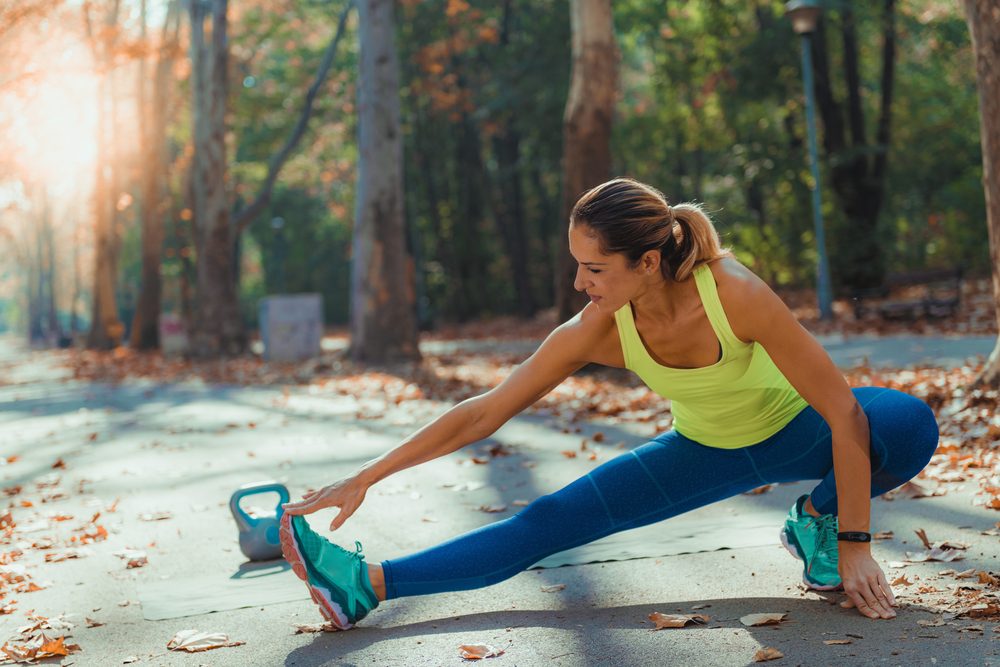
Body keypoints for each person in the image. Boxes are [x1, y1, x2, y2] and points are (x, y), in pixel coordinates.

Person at [279, 177, 939, 630]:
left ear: (649, 262)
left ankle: (815, 521)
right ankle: (366, 582)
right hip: (702, 450)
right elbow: (486, 409)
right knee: (548, 520)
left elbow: (842, 412)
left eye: (594, 268)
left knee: (907, 423)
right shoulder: (598, 324)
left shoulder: (733, 292)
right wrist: (366, 475)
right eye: (577, 264)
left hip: (799, 431)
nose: (578, 281)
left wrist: (854, 540)